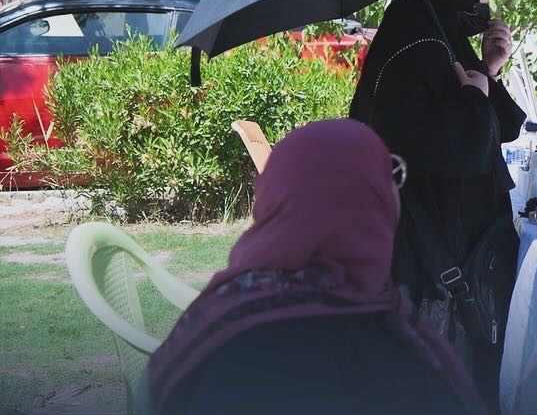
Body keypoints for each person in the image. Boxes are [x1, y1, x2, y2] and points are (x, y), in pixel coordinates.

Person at [148, 119, 486, 415]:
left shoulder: (221, 313)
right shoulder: (402, 361)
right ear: (373, 205)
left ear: (272, 200)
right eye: (390, 175)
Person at [348, 0, 524, 408]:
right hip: (429, 257)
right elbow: (455, 146)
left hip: (439, 246)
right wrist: (475, 96)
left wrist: (488, 71)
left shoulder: (429, 31)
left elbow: (501, 125)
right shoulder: (418, 44)